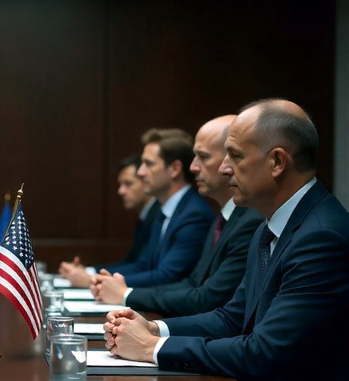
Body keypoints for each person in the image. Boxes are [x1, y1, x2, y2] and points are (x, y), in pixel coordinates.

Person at [105, 99, 349, 381]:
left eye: (235, 155)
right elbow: (231, 319)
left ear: (277, 162)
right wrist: (154, 328)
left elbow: (264, 353)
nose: (224, 168)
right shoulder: (269, 226)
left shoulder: (321, 236)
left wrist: (151, 348)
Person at [92, 115, 263, 316]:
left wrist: (126, 295)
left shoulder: (207, 215)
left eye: (203, 157)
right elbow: (191, 283)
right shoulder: (220, 218)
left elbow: (202, 296)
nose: (193, 167)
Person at [67, 129, 214, 288]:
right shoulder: (165, 211)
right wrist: (94, 275)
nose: (141, 172)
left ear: (174, 169)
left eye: (148, 164)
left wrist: (94, 280)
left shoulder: (194, 214)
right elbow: (143, 265)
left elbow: (168, 276)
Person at [58, 154, 161, 284]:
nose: (121, 191)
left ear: (146, 182)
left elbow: (143, 267)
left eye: (128, 184)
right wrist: (89, 271)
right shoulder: (146, 216)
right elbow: (130, 261)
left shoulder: (159, 215)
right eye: (120, 184)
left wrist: (91, 278)